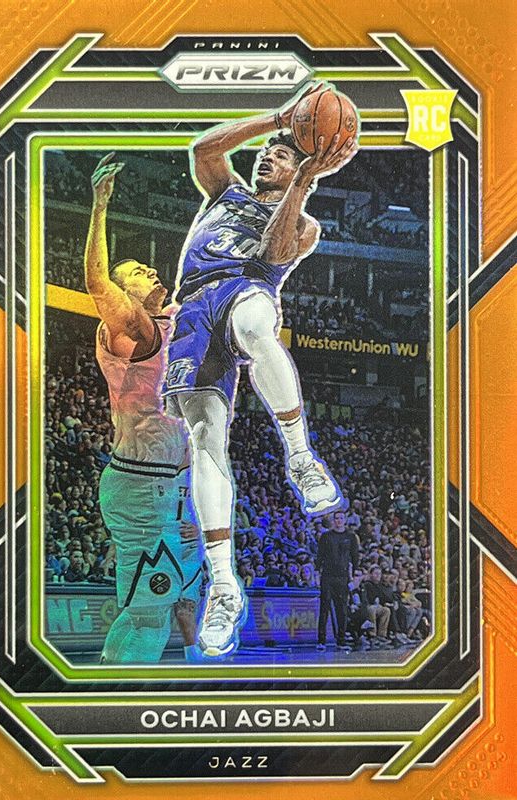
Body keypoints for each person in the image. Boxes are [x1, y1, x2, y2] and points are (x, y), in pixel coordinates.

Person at [162, 83, 358, 657]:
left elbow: (272, 254)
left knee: (254, 324)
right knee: (204, 437)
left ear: (303, 167)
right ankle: (224, 585)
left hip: (246, 288)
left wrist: (303, 182)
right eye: (267, 150)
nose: (267, 155)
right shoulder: (226, 192)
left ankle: (300, 457)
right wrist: (280, 118)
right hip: (193, 307)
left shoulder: (306, 225)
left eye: (282, 152)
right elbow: (203, 148)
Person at [84, 153, 202, 664]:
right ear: (126, 293)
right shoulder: (135, 332)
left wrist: (188, 499)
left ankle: (112, 687)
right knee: (149, 612)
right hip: (140, 483)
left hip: (164, 484)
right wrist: (100, 207)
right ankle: (119, 695)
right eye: (136, 271)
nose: (150, 269)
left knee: (156, 605)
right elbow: (97, 283)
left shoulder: (172, 324)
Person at [316, 510, 359, 651]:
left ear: (345, 520)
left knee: (342, 609)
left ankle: (341, 640)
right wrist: (317, 572)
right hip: (327, 576)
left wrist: (354, 574)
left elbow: (355, 556)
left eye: (341, 518)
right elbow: (320, 555)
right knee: (324, 608)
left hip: (343, 577)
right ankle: (321, 641)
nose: (339, 521)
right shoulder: (326, 536)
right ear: (333, 521)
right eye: (336, 518)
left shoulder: (351, 537)